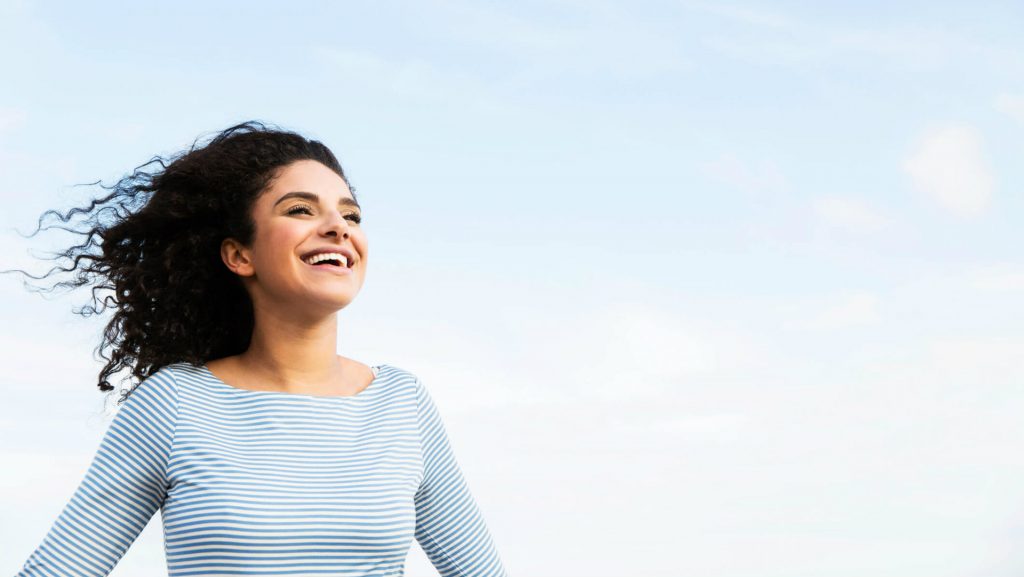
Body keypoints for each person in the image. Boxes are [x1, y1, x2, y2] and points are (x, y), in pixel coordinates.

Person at [7, 121, 510, 576]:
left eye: (351, 215)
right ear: (239, 254)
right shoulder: (174, 404)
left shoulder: (402, 403)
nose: (339, 227)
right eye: (299, 210)